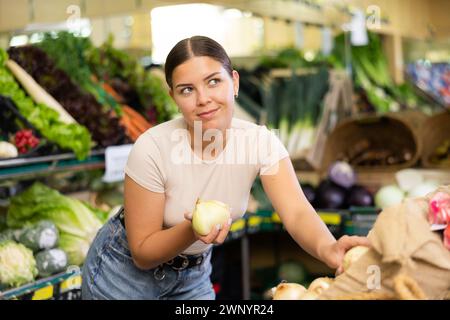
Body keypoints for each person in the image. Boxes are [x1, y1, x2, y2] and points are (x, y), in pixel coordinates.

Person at [81, 35, 370, 300]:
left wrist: (329, 250)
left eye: (214, 81)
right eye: (187, 90)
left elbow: (296, 212)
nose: (203, 98)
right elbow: (143, 252)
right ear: (173, 97)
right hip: (123, 276)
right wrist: (192, 230)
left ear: (235, 82)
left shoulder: (259, 142)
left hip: (192, 274)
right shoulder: (152, 148)